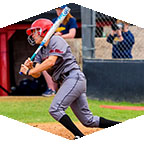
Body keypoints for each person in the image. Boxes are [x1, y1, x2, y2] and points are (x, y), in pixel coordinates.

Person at [20, 18, 121, 139]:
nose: (32, 34)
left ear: (44, 31)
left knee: (55, 109)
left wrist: (29, 71)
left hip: (73, 78)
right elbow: (37, 73)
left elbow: (51, 62)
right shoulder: (41, 51)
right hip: (66, 83)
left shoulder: (56, 40)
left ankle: (79, 136)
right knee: (88, 121)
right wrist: (31, 69)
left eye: (35, 31)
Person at [42, 5, 78, 97]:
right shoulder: (54, 21)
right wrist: (54, 35)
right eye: (57, 9)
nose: (59, 11)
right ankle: (51, 89)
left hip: (66, 48)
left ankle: (65, 90)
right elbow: (48, 36)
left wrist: (59, 37)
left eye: (61, 9)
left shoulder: (71, 20)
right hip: (54, 48)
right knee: (46, 67)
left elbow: (72, 34)